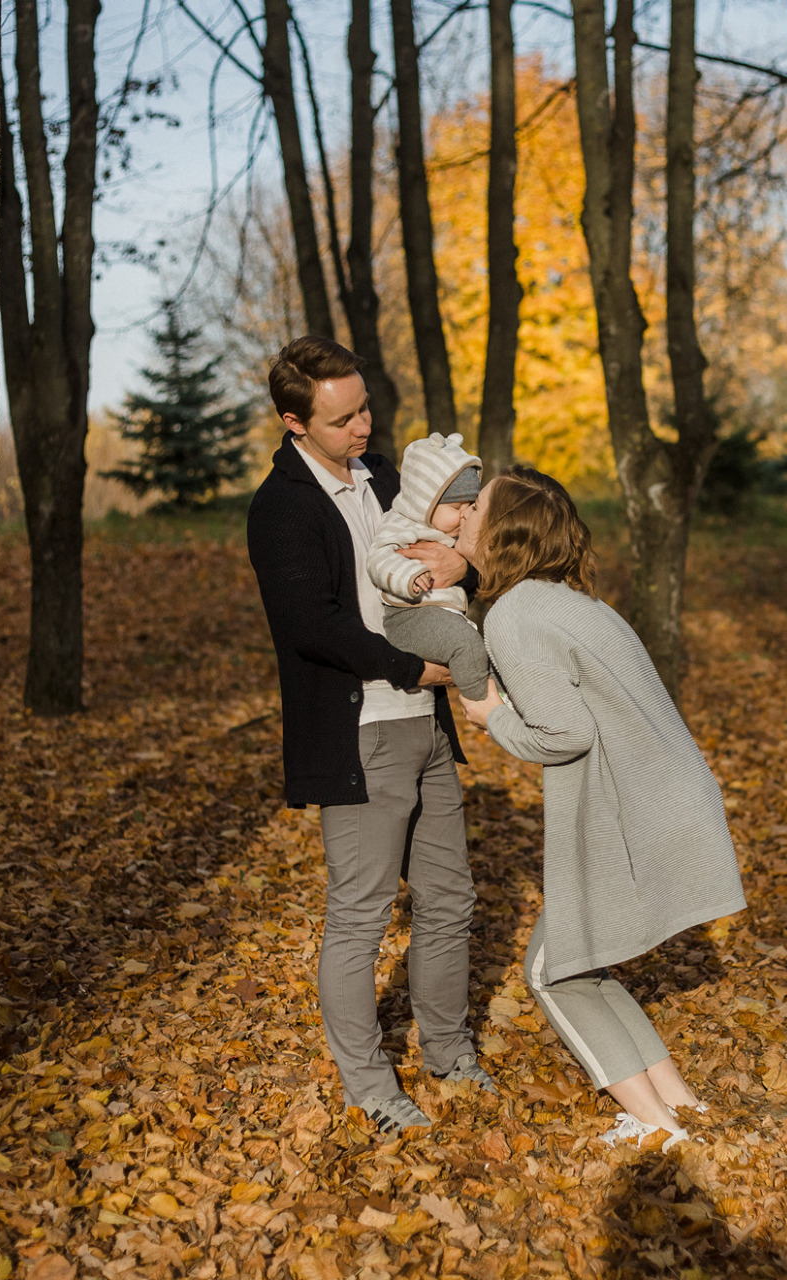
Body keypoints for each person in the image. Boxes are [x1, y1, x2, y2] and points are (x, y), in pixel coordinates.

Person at [245, 336, 496, 1135]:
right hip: (358, 735)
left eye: (365, 409)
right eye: (343, 417)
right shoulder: (279, 507)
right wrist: (407, 669)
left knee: (451, 898)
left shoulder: (389, 478)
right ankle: (370, 1087)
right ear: (294, 422)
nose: (363, 427)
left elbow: (451, 549)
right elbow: (307, 625)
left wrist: (467, 573)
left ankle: (449, 1050)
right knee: (361, 913)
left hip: (426, 726)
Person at [457, 466, 748, 1149]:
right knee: (580, 963)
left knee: (550, 972)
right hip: (667, 801)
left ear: (504, 531)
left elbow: (568, 732)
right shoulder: (573, 602)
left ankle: (652, 1129)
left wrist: (493, 716)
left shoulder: (514, 615)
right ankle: (677, 1105)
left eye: (477, 509)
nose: (464, 515)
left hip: (635, 814)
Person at [365, 431, 493, 700]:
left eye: (470, 505)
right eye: (456, 506)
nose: (464, 514)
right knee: (467, 646)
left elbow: (483, 569)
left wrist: (465, 565)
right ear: (426, 502)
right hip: (409, 616)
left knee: (485, 649)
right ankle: (483, 705)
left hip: (443, 616)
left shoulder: (454, 530)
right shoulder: (401, 523)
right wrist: (407, 575)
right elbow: (379, 558)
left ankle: (497, 696)